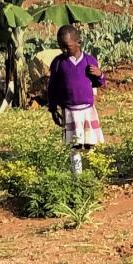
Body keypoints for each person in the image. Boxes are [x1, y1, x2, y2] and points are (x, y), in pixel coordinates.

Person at [46, 25, 106, 175]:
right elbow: (52, 87)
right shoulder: (58, 63)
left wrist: (99, 74)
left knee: (90, 143)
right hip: (69, 111)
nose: (64, 50)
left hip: (87, 110)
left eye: (67, 47)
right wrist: (53, 108)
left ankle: (94, 172)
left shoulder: (89, 60)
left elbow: (100, 83)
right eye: (61, 47)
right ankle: (77, 175)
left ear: (78, 43)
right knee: (74, 145)